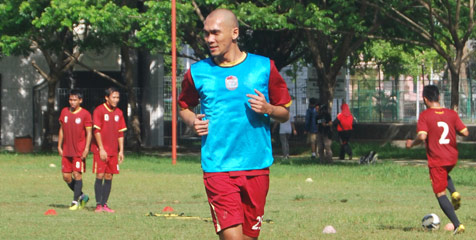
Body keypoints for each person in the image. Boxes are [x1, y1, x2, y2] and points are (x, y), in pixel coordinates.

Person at [178, 9, 291, 240]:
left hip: (256, 166)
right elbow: (183, 107)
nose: (209, 39)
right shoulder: (198, 72)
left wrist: (268, 109)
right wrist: (192, 121)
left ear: (235, 33)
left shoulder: (264, 67)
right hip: (218, 168)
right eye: (207, 34)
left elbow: (285, 113)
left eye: (215, 33)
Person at [406, 85, 468, 235]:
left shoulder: (425, 115)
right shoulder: (451, 114)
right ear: (439, 97)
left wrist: (411, 144)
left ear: (425, 99)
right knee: (444, 173)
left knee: (440, 193)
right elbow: (465, 132)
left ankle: (457, 224)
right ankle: (454, 192)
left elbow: (422, 136)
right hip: (452, 156)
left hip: (437, 158)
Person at [91, 87, 127, 213]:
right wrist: (101, 149)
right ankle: (98, 204)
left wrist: (121, 150)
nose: (116, 100)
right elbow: (96, 131)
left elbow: (120, 133)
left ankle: (105, 204)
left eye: (118, 97)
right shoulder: (99, 111)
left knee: (109, 176)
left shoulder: (119, 113)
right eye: (114, 97)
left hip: (113, 151)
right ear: (107, 98)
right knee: (100, 174)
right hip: (100, 150)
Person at [58, 89, 92, 210]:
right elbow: (62, 129)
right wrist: (59, 145)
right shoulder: (64, 112)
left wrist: (87, 148)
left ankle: (75, 202)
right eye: (70, 100)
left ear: (80, 101)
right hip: (67, 150)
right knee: (66, 177)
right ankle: (82, 196)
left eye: (75, 100)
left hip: (79, 150)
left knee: (77, 174)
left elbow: (89, 133)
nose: (72, 102)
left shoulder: (85, 114)